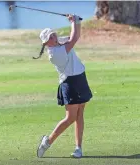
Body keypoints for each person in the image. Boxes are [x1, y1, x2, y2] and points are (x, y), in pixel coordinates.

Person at [37, 14, 93, 158]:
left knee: (80, 114)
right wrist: (73, 21)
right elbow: (73, 39)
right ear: (46, 43)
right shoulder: (55, 54)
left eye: (52, 35)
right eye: (49, 38)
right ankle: (48, 141)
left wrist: (77, 21)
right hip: (69, 82)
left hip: (80, 77)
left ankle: (78, 148)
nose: (53, 38)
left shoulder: (59, 42)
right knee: (70, 118)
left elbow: (75, 35)